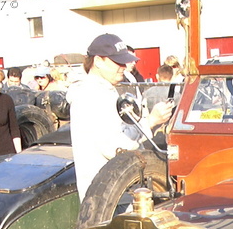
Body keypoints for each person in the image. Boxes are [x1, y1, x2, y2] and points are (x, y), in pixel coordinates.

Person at [66, 33, 174, 202]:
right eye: (118, 62)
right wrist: (151, 121)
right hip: (106, 195)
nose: (124, 66)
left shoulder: (104, 91)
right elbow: (115, 147)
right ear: (98, 61)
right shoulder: (91, 95)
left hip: (113, 189)